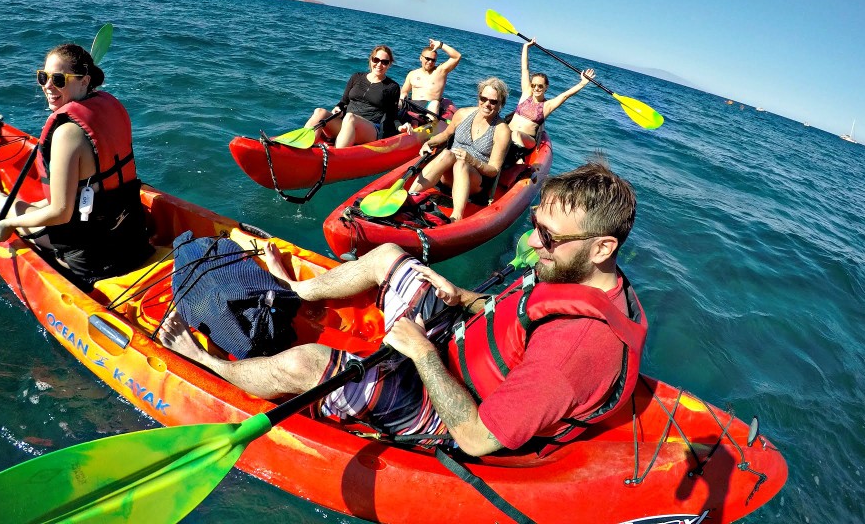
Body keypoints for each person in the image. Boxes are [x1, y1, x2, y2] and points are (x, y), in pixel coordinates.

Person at [158, 159, 647, 457]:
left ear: (602, 248)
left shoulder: (574, 351)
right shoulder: (575, 271)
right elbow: (516, 320)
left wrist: (421, 354)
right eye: (537, 225)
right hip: (447, 341)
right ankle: (294, 292)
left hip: (450, 412)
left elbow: (478, 438)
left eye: (548, 237)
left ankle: (204, 359)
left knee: (304, 364)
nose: (533, 242)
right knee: (393, 255)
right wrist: (465, 299)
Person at [0, 43, 153, 291]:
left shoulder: (67, 133)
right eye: (43, 77)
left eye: (58, 79)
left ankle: (1, 201)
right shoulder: (109, 107)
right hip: (130, 234)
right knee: (31, 207)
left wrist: (8, 226)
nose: (47, 86)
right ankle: (5, 202)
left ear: (85, 81)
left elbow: (61, 213)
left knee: (13, 210)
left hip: (93, 256)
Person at [409, 77, 512, 221]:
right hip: (447, 174)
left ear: (500, 104)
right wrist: (429, 143)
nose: (487, 104)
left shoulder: (502, 130)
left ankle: (456, 217)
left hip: (474, 181)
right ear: (479, 97)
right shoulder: (463, 114)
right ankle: (409, 196)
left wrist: (472, 160)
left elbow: (494, 170)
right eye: (483, 99)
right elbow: (445, 135)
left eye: (493, 101)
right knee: (446, 154)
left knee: (461, 164)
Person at [304, 45, 401, 148]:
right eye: (376, 60)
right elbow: (343, 102)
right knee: (319, 112)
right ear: (371, 59)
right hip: (347, 124)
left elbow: (392, 116)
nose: (379, 64)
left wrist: (400, 127)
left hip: (371, 129)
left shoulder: (392, 87)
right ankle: (302, 145)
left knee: (350, 117)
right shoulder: (357, 77)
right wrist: (338, 109)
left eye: (384, 62)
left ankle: (337, 156)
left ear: (389, 64)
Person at [507, 39, 595, 151]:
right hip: (508, 134)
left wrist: (582, 83)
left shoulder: (547, 106)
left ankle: (519, 160)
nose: (536, 88)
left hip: (526, 140)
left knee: (516, 134)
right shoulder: (526, 93)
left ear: (546, 87)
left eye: (540, 86)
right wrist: (526, 47)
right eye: (533, 85)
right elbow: (525, 69)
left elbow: (564, 96)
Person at [397, 38, 461, 131]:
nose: (430, 62)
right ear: (421, 58)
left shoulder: (440, 71)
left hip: (429, 106)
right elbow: (405, 91)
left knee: (435, 104)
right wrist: (402, 98)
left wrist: (441, 45)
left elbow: (457, 56)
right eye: (427, 59)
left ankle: (425, 128)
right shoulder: (412, 74)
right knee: (396, 102)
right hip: (413, 104)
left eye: (433, 60)